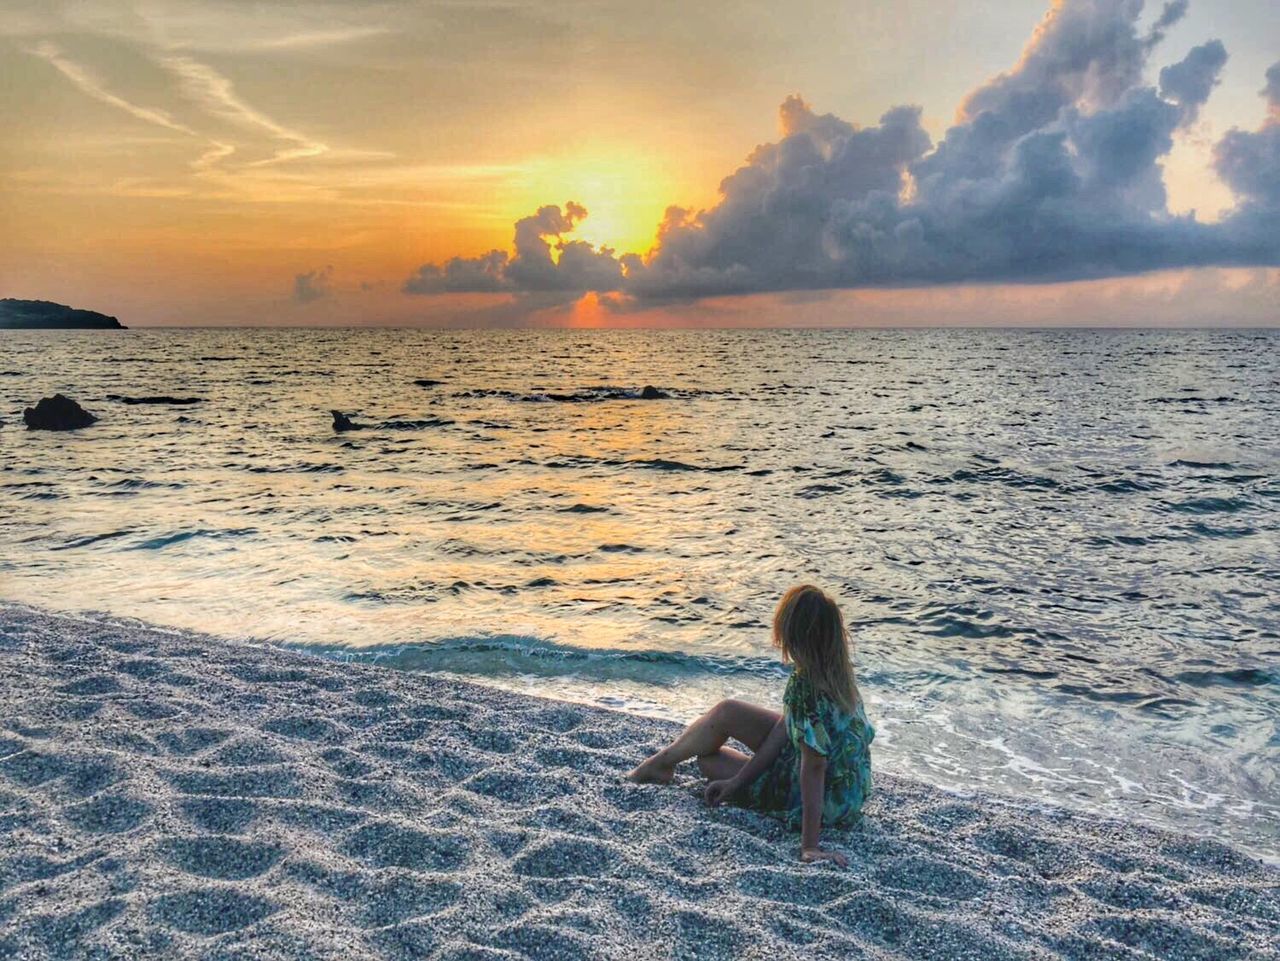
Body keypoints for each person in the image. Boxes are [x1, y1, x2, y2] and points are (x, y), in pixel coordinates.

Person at [626, 584, 874, 865]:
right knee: (727, 712)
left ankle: (661, 765)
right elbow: (788, 728)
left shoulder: (807, 689)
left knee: (708, 761)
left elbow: (814, 766)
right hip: (847, 792)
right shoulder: (837, 673)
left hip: (825, 799)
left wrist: (810, 846)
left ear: (794, 636)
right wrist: (737, 781)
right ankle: (663, 762)